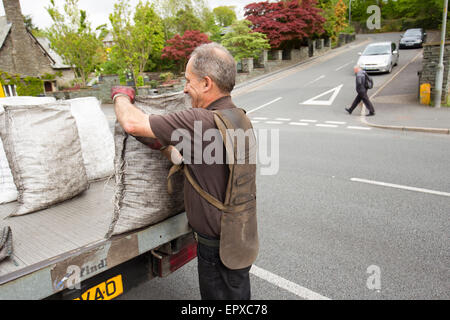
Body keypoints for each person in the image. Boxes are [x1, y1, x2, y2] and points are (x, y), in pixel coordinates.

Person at [111, 43, 258, 300]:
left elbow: (132, 123)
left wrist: (121, 96)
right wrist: (165, 147)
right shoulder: (237, 117)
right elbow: (202, 158)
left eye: (189, 81)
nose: (184, 88)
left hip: (216, 248)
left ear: (206, 83)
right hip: (239, 235)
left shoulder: (199, 120)